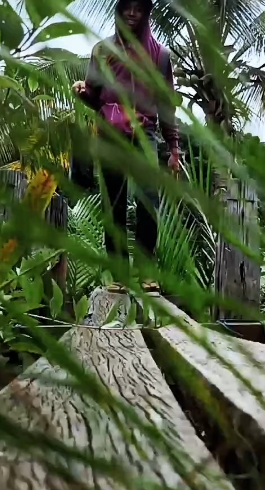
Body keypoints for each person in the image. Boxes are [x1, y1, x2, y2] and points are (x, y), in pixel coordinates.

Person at [72, 0, 180, 294]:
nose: (132, 13)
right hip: (110, 134)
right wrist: (83, 94)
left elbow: (166, 105)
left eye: (139, 8)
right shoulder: (103, 51)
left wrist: (174, 148)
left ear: (146, 13)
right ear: (119, 11)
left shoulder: (160, 56)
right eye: (127, 7)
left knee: (148, 202)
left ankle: (146, 273)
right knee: (114, 203)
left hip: (146, 134)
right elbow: (96, 98)